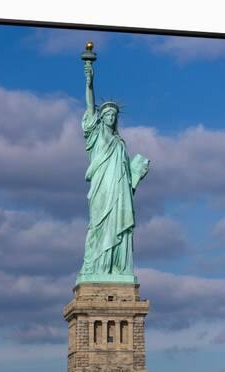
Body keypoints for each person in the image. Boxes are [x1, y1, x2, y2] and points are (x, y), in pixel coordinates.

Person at [77, 59, 149, 283]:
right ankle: (97, 265)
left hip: (118, 191)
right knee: (98, 225)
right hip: (101, 187)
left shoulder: (120, 143)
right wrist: (89, 81)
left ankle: (117, 267)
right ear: (101, 118)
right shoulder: (96, 134)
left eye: (113, 116)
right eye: (107, 114)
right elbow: (90, 107)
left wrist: (137, 173)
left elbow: (127, 175)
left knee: (118, 225)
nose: (110, 117)